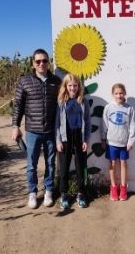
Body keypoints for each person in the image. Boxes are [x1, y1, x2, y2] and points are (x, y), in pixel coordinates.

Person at [11, 49, 62, 209]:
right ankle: (32, 193)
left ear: (48, 62)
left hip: (50, 131)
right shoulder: (25, 81)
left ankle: (48, 192)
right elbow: (18, 105)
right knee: (31, 164)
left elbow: (62, 104)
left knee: (50, 163)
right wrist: (15, 126)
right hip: (32, 131)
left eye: (44, 61)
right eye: (38, 61)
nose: (41, 64)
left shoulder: (55, 81)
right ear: (33, 63)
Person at [55, 74, 91, 209]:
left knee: (80, 168)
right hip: (65, 137)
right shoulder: (60, 102)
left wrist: (86, 140)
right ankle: (64, 194)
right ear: (65, 86)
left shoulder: (83, 101)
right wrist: (58, 141)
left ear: (79, 86)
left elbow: (87, 122)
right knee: (64, 168)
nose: (72, 88)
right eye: (70, 85)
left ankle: (81, 193)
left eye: (75, 85)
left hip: (79, 137)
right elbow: (57, 124)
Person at [101, 83, 135, 201]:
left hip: (124, 143)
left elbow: (132, 125)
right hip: (111, 142)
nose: (119, 95)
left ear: (124, 93)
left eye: (121, 93)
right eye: (116, 93)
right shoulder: (108, 107)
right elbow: (104, 124)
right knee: (112, 165)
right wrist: (103, 138)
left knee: (123, 164)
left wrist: (131, 141)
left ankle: (123, 188)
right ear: (113, 94)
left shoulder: (129, 108)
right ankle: (113, 188)